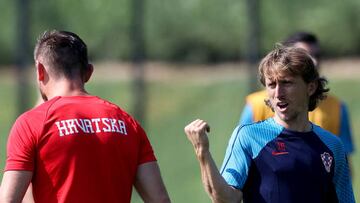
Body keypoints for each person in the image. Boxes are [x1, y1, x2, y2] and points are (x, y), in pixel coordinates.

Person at [0, 30, 171, 203]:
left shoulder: (31, 124)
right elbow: (160, 200)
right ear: (88, 72)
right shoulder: (128, 123)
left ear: (40, 71)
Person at [184, 45, 355, 202]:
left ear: (310, 88)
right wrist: (202, 152)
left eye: (287, 83)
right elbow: (226, 199)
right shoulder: (249, 136)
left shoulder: (333, 146)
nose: (278, 93)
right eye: (272, 85)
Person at [239, 32, 355, 163]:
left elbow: (344, 164)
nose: (314, 61)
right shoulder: (256, 106)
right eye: (306, 55)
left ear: (311, 88)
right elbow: (241, 158)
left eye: (317, 55)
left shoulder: (337, 108)